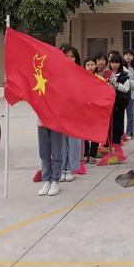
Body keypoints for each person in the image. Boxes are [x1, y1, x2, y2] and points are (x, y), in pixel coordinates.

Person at [60, 46, 82, 182]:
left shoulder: (81, 73)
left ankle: (70, 168)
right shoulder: (56, 73)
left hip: (75, 112)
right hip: (61, 112)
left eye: (72, 56)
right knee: (61, 142)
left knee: (74, 142)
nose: (69, 59)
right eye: (66, 56)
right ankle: (61, 168)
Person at [108, 54, 130, 153]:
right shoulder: (107, 74)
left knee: (117, 125)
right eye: (112, 62)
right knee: (108, 125)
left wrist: (115, 85)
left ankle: (116, 146)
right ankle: (107, 145)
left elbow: (126, 89)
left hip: (119, 104)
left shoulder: (124, 75)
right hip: (108, 104)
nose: (114, 65)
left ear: (120, 64)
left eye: (116, 62)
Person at [37, 119, 64, 196]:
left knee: (56, 152)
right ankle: (46, 181)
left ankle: (55, 181)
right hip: (42, 122)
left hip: (56, 122)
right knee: (44, 153)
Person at [83, 57, 102, 164]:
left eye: (92, 65)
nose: (90, 67)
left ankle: (93, 154)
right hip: (84, 110)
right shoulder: (81, 79)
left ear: (95, 66)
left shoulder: (100, 79)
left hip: (95, 110)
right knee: (85, 133)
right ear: (84, 67)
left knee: (94, 133)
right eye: (88, 65)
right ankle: (85, 154)